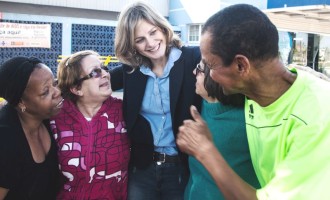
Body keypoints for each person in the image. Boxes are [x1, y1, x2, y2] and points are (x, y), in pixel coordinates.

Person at [177, 4, 330, 200]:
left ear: (241, 65)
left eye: (210, 66)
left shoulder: (316, 119)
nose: (209, 75)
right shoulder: (260, 91)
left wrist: (206, 151)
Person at [111, 1, 202, 199]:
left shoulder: (193, 58)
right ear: (131, 44)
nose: (150, 43)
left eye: (153, 32)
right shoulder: (131, 70)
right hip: (142, 168)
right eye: (140, 40)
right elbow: (94, 81)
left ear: (163, 28)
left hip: (182, 166)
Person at [50, 50, 130, 199]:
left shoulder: (124, 112)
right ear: (76, 89)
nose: (105, 74)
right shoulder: (56, 118)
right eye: (95, 73)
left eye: (104, 69)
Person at [184, 62, 260, 200]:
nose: (194, 72)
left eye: (200, 69)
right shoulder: (201, 106)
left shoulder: (249, 120)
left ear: (218, 77)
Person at [0, 57, 63, 199]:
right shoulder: (6, 141)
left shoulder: (46, 116)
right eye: (45, 92)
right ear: (22, 102)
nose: (57, 92)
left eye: (54, 83)